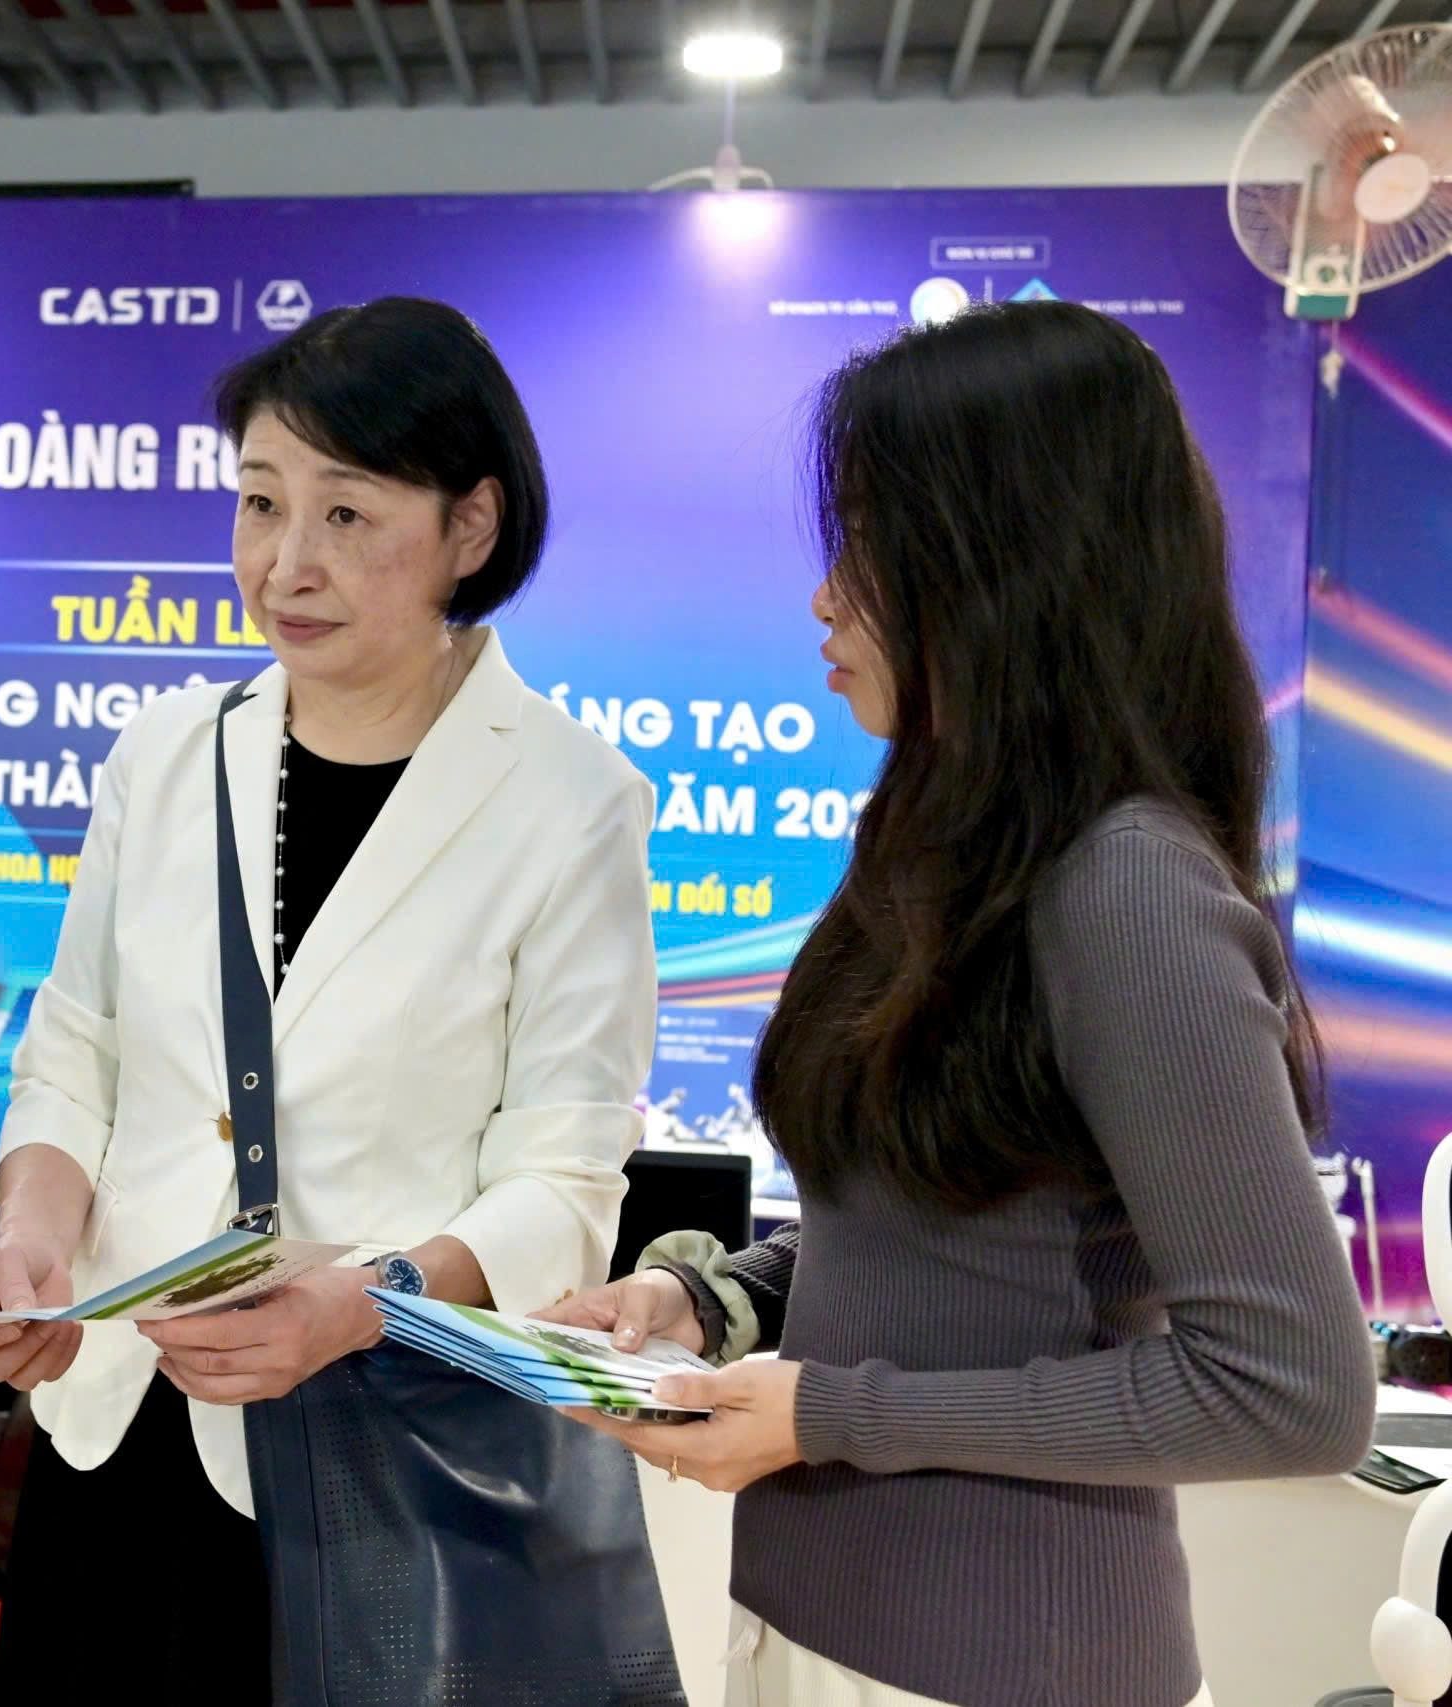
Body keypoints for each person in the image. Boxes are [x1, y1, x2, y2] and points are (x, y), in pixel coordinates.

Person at [547, 300, 1375, 1707]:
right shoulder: (945, 851)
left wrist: (830, 1412)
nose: (826, 598)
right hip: (809, 1627)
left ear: (1004, 563)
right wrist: (713, 1301)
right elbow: (940, 1249)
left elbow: (1290, 1387)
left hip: (1000, 1664)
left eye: (871, 545)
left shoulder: (1127, 889)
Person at [0, 297, 660, 1704]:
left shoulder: (571, 800)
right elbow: (76, 1052)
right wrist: (32, 1241)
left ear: (470, 526)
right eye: (260, 502)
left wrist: (362, 1302)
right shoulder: (167, 752)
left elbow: (564, 1179)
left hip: (372, 1449)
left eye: (346, 513)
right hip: (122, 1416)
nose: (286, 562)